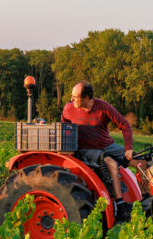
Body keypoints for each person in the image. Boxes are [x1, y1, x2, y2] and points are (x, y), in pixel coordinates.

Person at [61, 81, 148, 222]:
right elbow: (64, 122)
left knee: (142, 161)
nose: (71, 100)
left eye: (75, 97)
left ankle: (146, 200)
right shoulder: (69, 108)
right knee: (111, 163)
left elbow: (125, 125)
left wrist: (129, 148)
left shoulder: (102, 107)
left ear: (87, 97)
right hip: (87, 150)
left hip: (107, 146)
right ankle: (120, 205)